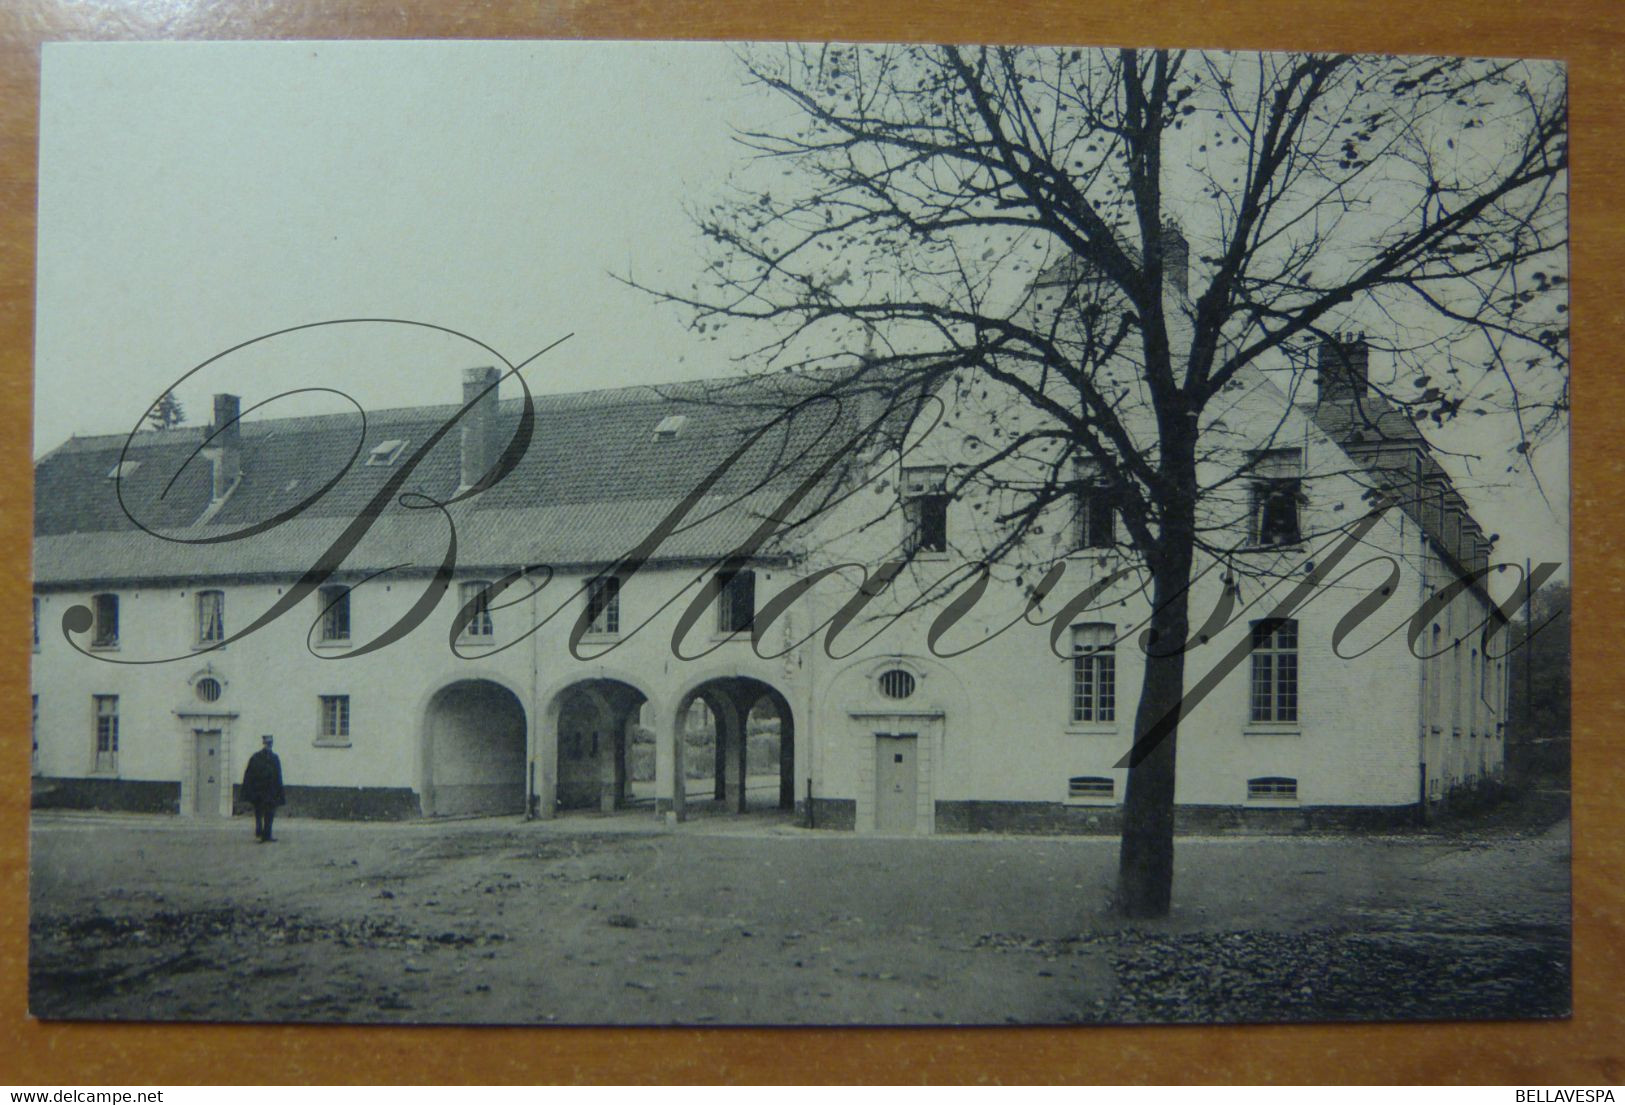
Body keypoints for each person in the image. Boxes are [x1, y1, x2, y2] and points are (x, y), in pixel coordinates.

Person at [241, 734, 285, 842]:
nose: (268, 745)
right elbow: (249, 774)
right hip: (262, 792)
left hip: (266, 792)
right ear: (264, 744)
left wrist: (279, 792)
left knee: (266, 813)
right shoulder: (259, 757)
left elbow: (278, 776)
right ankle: (262, 833)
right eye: (267, 743)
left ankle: (265, 833)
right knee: (262, 813)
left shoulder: (272, 758)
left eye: (270, 743)